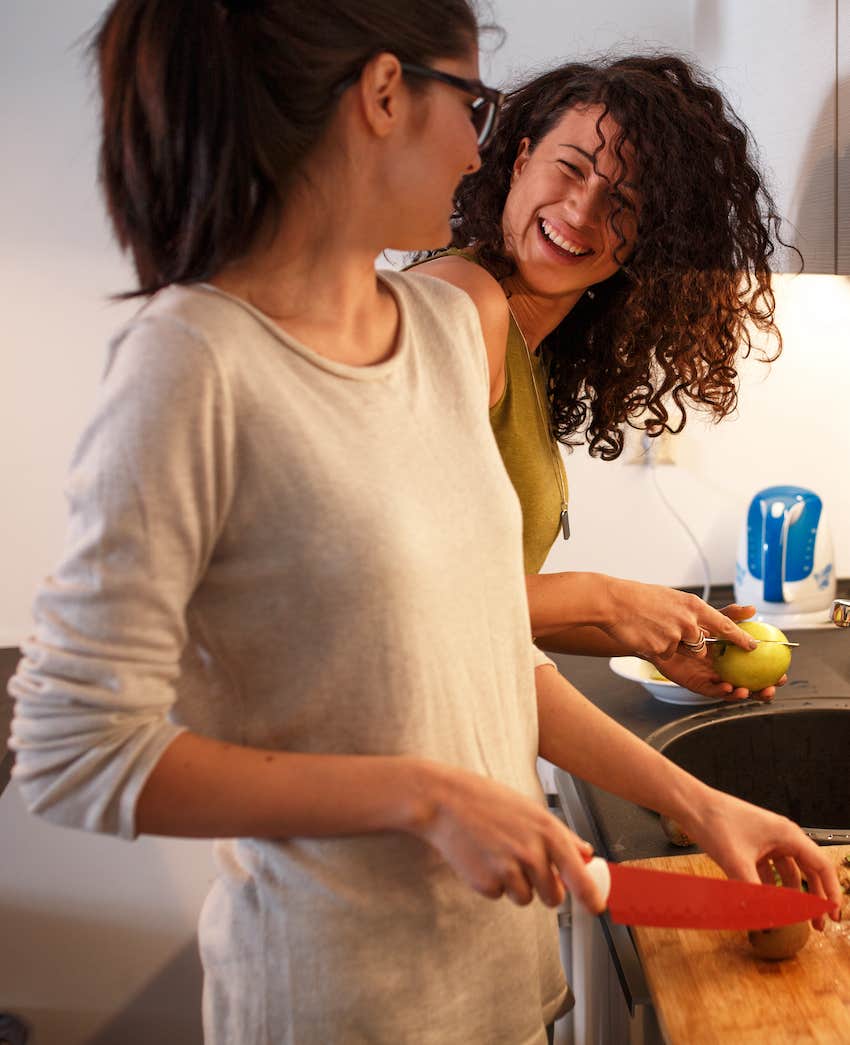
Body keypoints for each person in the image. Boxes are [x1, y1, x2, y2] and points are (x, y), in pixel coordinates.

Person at [8, 7, 840, 1044]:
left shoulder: (446, 332)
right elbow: (72, 753)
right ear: (384, 95)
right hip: (337, 1000)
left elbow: (484, 650)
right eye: (476, 105)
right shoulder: (194, 361)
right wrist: (420, 797)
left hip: (499, 979)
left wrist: (696, 799)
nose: (477, 149)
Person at [416, 54, 790, 702]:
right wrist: (604, 596)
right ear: (521, 158)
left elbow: (487, 605)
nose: (583, 211)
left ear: (648, 236)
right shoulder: (460, 304)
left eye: (622, 201)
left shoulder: (527, 336)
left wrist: (650, 632)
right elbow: (398, 593)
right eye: (571, 168)